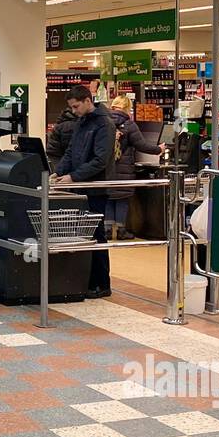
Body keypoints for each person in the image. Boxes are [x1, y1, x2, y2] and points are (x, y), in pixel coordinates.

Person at [51, 85, 116, 299]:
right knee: (84, 234)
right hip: (81, 187)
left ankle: (102, 283)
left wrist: (73, 176)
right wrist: (58, 172)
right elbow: (70, 152)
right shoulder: (81, 122)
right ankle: (88, 279)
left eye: (76, 106)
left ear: (88, 101)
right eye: (72, 107)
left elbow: (100, 159)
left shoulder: (104, 124)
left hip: (96, 188)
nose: (74, 110)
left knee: (96, 235)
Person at [107, 95, 164, 239]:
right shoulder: (129, 124)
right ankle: (121, 230)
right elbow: (141, 145)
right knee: (122, 199)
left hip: (106, 169)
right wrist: (159, 149)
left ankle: (106, 230)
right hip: (124, 170)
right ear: (127, 108)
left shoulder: (104, 122)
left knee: (108, 197)